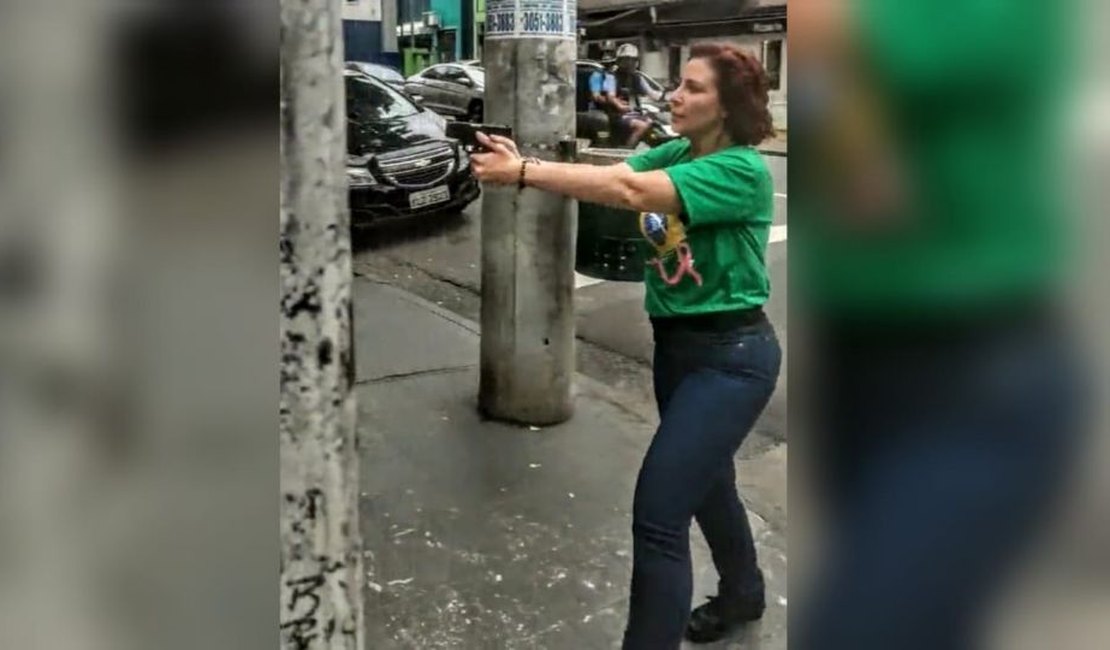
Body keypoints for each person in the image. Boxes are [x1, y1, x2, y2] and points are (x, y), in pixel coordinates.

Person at [472, 43, 778, 648]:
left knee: (659, 516)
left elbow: (630, 194)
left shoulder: (742, 170)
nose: (675, 95)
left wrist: (523, 174)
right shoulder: (681, 151)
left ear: (729, 106)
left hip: (732, 358)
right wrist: (524, 156)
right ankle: (744, 593)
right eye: (678, 85)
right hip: (677, 352)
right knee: (709, 483)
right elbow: (618, 174)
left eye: (692, 88)